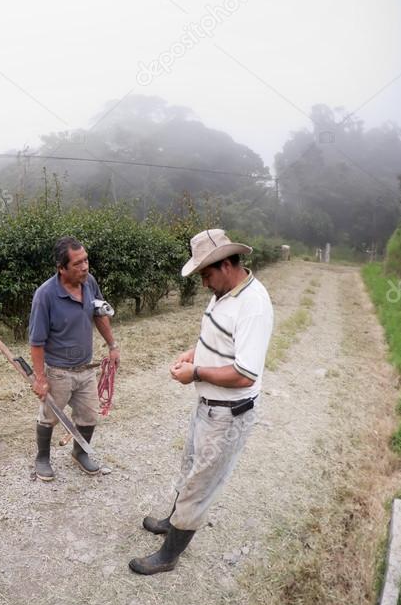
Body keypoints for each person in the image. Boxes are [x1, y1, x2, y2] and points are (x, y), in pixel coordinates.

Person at [129, 229, 274, 575]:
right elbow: (217, 339)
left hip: (229, 414)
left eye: (207, 274)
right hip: (208, 405)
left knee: (200, 483)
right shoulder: (224, 293)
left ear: (226, 264)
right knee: (190, 466)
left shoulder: (253, 306)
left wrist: (195, 372)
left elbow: (245, 374)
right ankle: (173, 520)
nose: (205, 283)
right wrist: (193, 354)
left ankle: (168, 555)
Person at [28, 236, 120, 480]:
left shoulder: (89, 282)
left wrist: (112, 345)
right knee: (49, 417)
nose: (85, 267)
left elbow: (99, 314)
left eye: (86, 260)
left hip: (86, 368)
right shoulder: (45, 295)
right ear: (61, 268)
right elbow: (36, 342)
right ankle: (42, 459)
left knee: (89, 415)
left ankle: (80, 453)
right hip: (58, 371)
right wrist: (39, 378)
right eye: (78, 264)